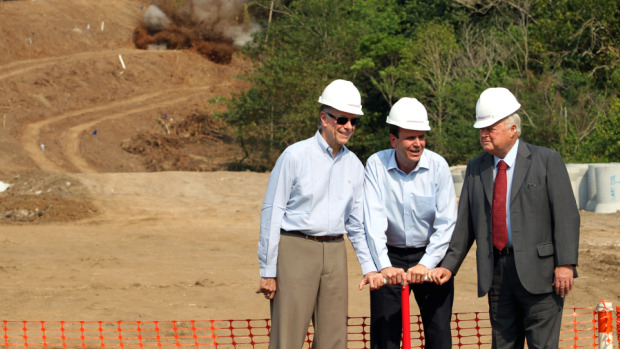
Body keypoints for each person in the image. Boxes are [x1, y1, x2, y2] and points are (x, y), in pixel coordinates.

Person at [431, 87, 580, 348]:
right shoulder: (476, 168)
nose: (483, 134)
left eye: (490, 128)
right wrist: (448, 265)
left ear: (513, 128)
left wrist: (565, 264)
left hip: (541, 274)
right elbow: (465, 224)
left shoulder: (546, 160)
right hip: (497, 274)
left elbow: (566, 216)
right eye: (481, 129)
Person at [256, 79, 383, 349]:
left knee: (334, 339)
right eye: (342, 119)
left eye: (354, 121)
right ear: (324, 118)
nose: (348, 126)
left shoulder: (354, 165)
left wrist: (369, 267)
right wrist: (268, 269)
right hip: (295, 249)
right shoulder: (294, 156)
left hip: (336, 252)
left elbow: (356, 225)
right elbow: (272, 212)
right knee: (287, 337)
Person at [362, 97, 457, 349]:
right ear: (393, 140)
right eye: (410, 138)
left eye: (421, 137)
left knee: (438, 334)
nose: (417, 144)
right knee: (385, 337)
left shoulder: (438, 166)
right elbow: (373, 221)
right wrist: (383, 266)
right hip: (389, 257)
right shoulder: (375, 165)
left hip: (431, 257)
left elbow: (446, 222)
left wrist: (426, 264)